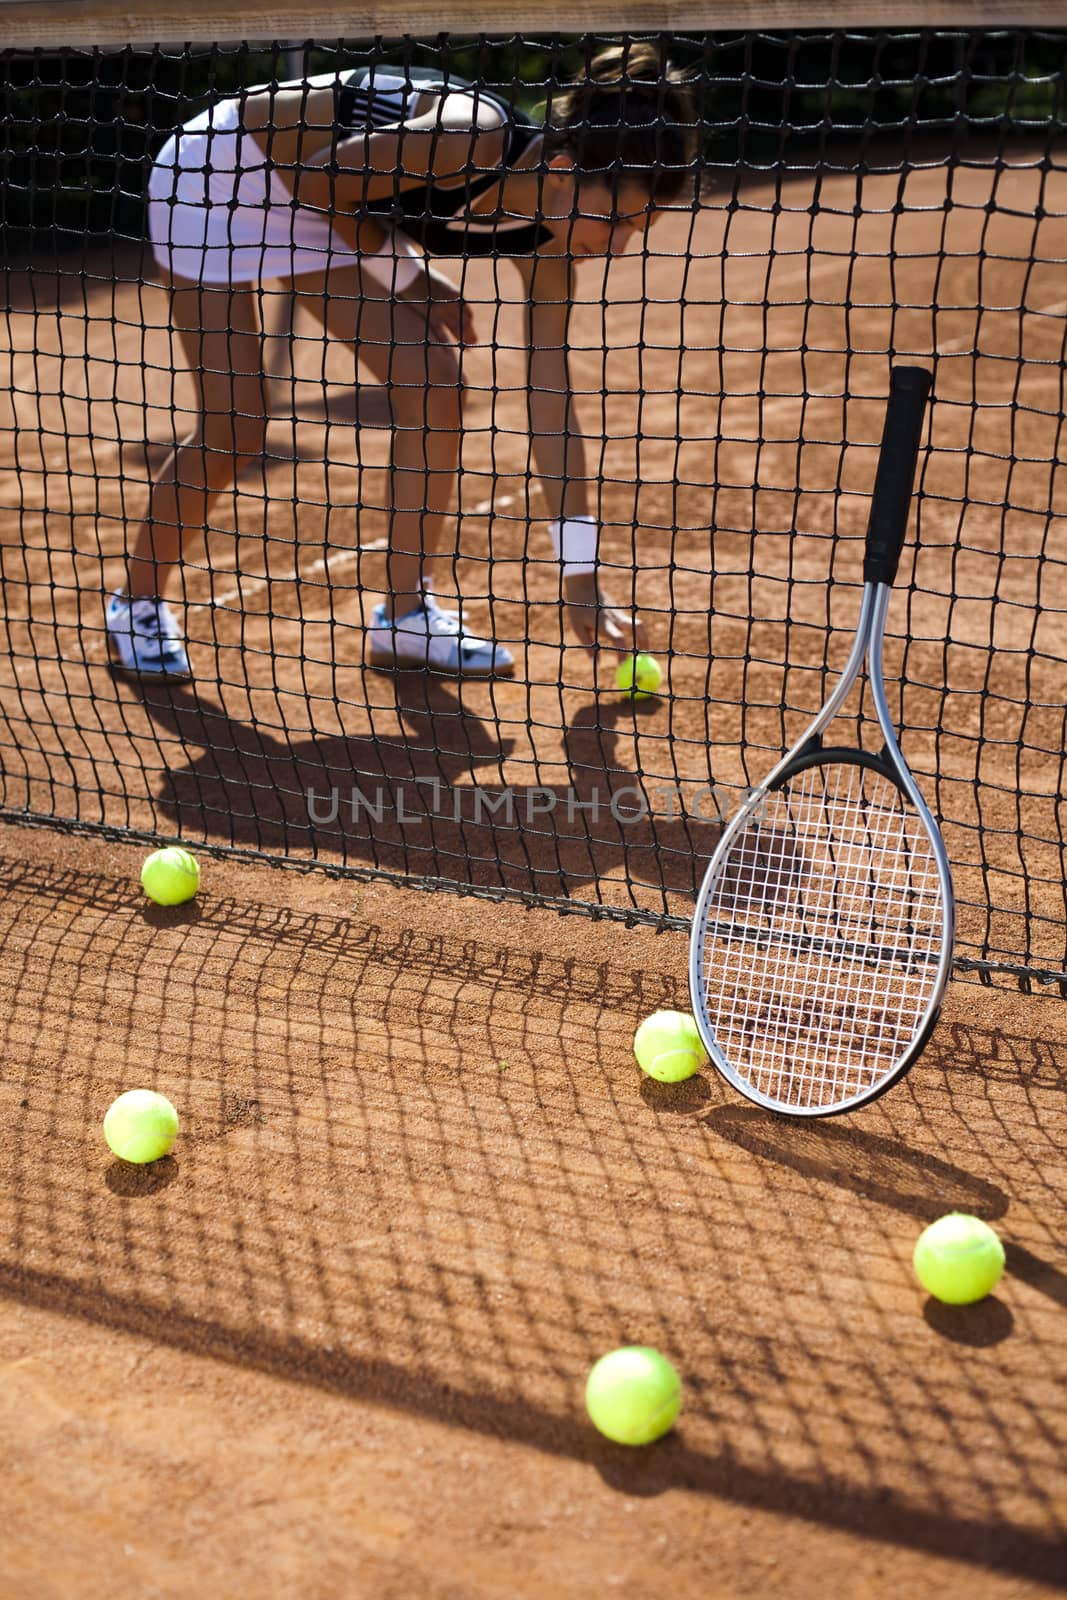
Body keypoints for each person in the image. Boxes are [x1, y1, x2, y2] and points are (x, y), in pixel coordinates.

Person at [106, 43, 698, 681]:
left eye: (637, 229)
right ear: (559, 170)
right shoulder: (468, 139)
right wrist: (412, 281)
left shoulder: (552, 245)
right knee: (238, 424)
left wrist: (580, 576)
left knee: (436, 383)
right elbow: (318, 182)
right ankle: (135, 604)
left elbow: (551, 405)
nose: (616, 246)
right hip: (224, 178)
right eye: (613, 219)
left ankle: (406, 617)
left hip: (327, 201)